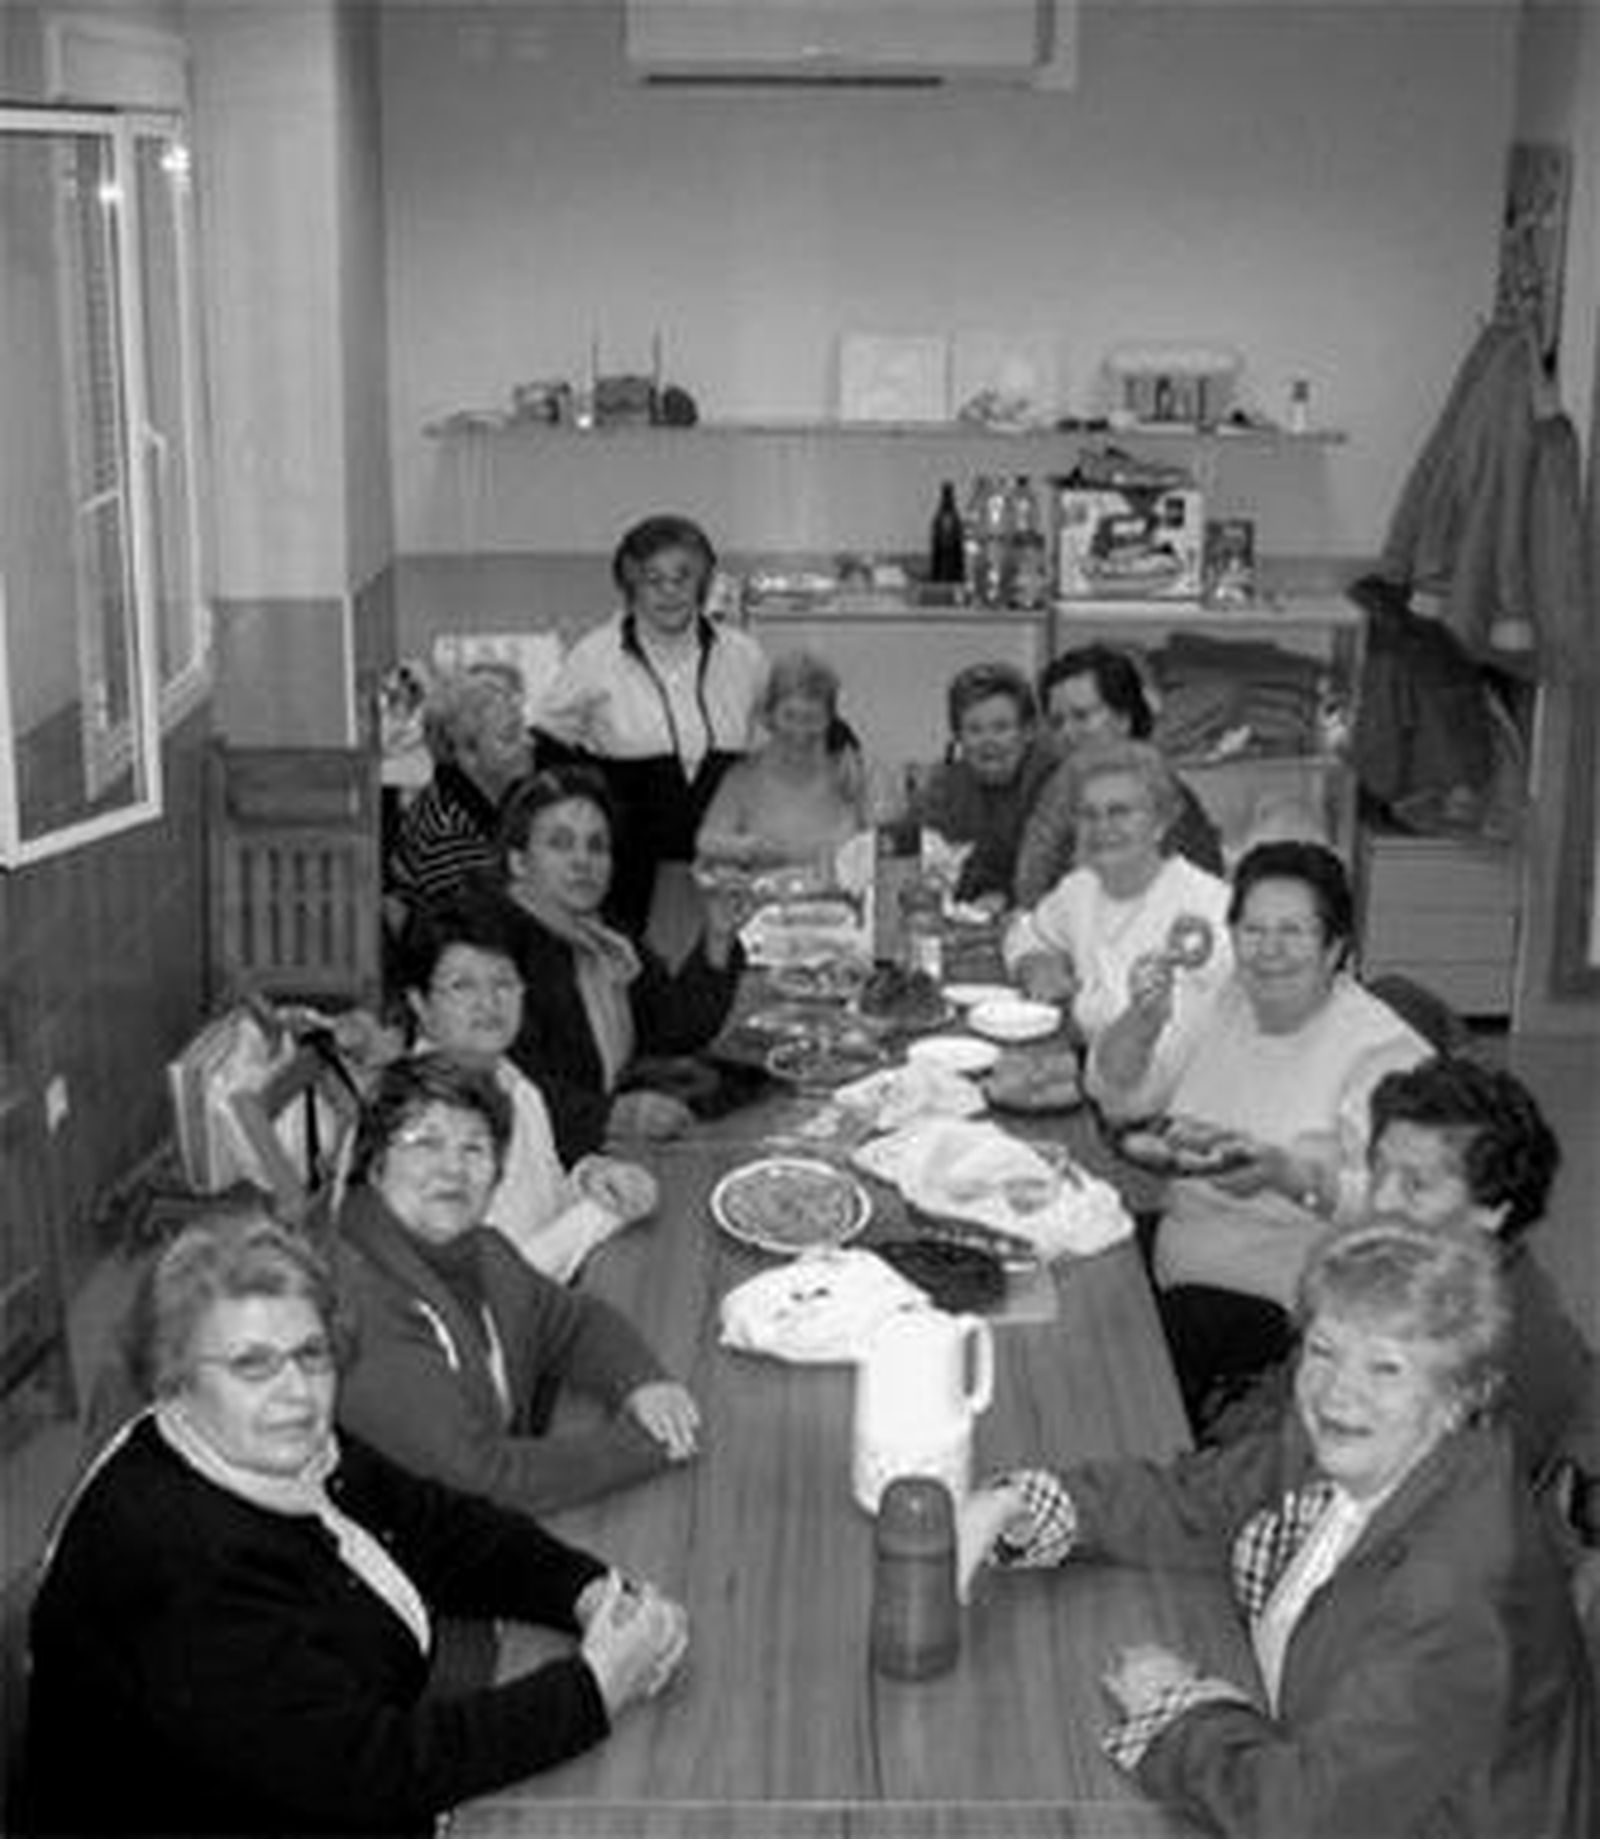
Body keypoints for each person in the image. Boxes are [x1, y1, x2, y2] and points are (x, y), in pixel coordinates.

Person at [21, 1206, 688, 1839]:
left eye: (312, 1354)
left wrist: (587, 1591)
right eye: (251, 1363)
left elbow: (438, 1526)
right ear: (175, 1380)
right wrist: (591, 1690)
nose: (295, 1390)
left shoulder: (276, 1444)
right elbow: (367, 1774)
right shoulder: (174, 1562)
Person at [958, 1225, 1596, 1839]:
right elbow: (1194, 1501)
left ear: (1458, 1397)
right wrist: (1015, 1503)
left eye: (1386, 1369)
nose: (1338, 1392)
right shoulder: (1349, 1445)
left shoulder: (1459, 1597)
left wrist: (1181, 1716)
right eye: (1324, 1350)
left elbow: (1306, 1819)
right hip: (1311, 1753)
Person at [1089, 840, 1430, 1426]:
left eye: (1293, 932)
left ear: (1335, 948)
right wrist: (1141, 1022)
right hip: (1184, 1249)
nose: (1268, 951)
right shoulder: (1229, 1001)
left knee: (1111, 1377)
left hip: (1289, 1307)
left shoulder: (1384, 1052)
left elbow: (1409, 1211)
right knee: (1077, 1274)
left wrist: (1287, 1176)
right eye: (1253, 929)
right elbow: (1121, 1098)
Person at [333, 1055, 701, 1518]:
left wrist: (642, 1381)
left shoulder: (479, 1249)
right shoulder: (363, 1301)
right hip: (420, 1565)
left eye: (475, 1149)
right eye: (425, 1143)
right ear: (374, 1163)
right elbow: (483, 1479)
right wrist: (646, 1445)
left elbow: (568, 1323)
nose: (453, 1169)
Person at [536, 514, 767, 948]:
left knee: (720, 985)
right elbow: (547, 744)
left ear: (703, 582)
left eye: (683, 577)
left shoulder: (745, 657)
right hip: (626, 874)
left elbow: (780, 741)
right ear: (629, 586)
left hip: (723, 870)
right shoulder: (594, 656)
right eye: (652, 579)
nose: (669, 592)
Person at [398, 898, 658, 1282]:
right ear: (419, 1004)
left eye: (503, 982)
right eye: (462, 986)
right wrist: (604, 1214)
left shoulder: (510, 1080)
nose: (489, 1003)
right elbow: (499, 1286)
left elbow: (544, 1204)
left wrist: (593, 1178)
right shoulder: (417, 1128)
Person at [498, 764, 744, 1160]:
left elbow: (672, 1029)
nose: (583, 861)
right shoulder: (495, 955)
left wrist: (717, 935)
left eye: (596, 846)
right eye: (560, 843)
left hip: (607, 1154)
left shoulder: (605, 936)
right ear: (519, 862)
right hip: (543, 1168)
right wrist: (615, 1116)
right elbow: (508, 1086)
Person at [1002, 738, 1234, 1049]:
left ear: (1160, 824)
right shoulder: (1080, 889)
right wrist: (1034, 963)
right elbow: (1028, 932)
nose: (1102, 827)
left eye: (1120, 812)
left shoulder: (1209, 909)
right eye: (1088, 814)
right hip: (1099, 1080)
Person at [1014, 643, 1223, 906]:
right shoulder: (1049, 788)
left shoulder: (1166, 796)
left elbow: (1200, 900)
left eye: (1082, 716)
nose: (1067, 734)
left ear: (1125, 718)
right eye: (1057, 723)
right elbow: (1030, 889)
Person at [695, 650, 879, 876]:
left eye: (812, 718)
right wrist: (746, 849)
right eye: (789, 716)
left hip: (839, 907)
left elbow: (885, 847)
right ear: (769, 716)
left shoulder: (850, 774)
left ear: (830, 719)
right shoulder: (742, 778)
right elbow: (705, 842)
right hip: (765, 907)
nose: (799, 730)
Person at [906, 661, 1062, 913]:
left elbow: (1060, 871)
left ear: (1028, 731)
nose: (988, 742)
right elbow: (912, 860)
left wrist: (1007, 899)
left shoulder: (1055, 782)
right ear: (958, 736)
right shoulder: (944, 787)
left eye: (1001, 728)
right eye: (974, 730)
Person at [386, 664, 533, 912]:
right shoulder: (449, 832)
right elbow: (485, 927)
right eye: (510, 737)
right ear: (467, 755)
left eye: (524, 729)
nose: (528, 743)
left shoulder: (488, 797)